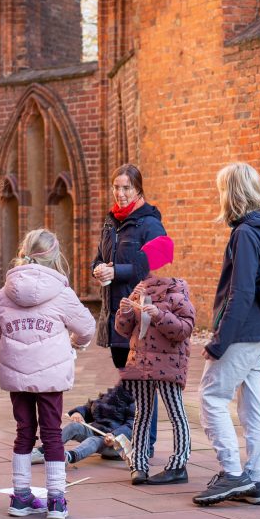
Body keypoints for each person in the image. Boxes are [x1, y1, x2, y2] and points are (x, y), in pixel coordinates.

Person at [192, 163, 260, 507]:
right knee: (256, 407)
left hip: (243, 333)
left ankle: (232, 473)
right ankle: (255, 480)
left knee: (212, 397)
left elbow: (241, 292)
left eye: (221, 190)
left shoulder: (245, 233)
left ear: (232, 193)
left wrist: (220, 341)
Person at [0, 229, 95, 519]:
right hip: (50, 375)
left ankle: (21, 497)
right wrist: (76, 344)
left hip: (16, 372)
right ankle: (56, 500)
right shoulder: (62, 293)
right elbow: (87, 327)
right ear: (54, 255)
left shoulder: (3, 293)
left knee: (24, 431)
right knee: (51, 433)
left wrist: (17, 350)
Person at [91, 163, 166, 455]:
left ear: (138, 189)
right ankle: (131, 435)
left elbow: (155, 264)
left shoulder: (151, 223)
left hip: (139, 315)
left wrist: (117, 272)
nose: (120, 194)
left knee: (143, 383)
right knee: (129, 380)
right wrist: (98, 269)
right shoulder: (110, 222)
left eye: (126, 188)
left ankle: (145, 444)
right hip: (114, 315)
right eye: (116, 187)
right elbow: (98, 257)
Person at [114, 236, 195, 485]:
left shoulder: (178, 293)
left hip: (168, 365)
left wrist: (160, 314)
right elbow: (124, 329)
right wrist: (127, 309)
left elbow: (184, 329)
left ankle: (179, 464)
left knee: (176, 412)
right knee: (142, 414)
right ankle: (138, 465)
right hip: (139, 363)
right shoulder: (140, 291)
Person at [32, 384, 135, 465]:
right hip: (97, 431)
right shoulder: (110, 394)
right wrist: (78, 413)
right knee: (74, 427)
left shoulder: (134, 401)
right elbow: (89, 408)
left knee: (93, 441)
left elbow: (132, 425)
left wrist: (115, 435)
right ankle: (43, 450)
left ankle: (66, 457)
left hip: (117, 444)